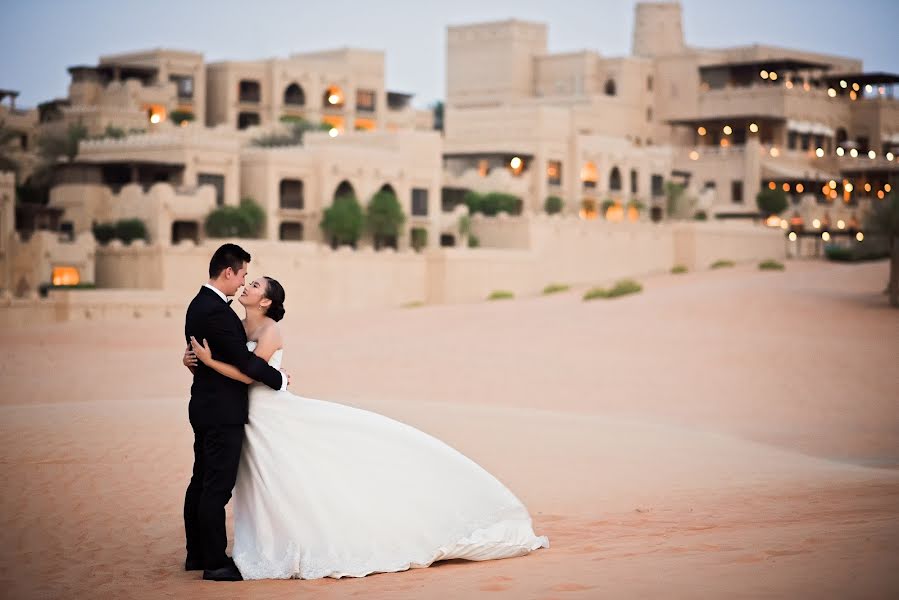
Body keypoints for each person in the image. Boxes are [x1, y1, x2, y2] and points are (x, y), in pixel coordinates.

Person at [184, 274, 548, 580]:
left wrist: (212, 362)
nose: (248, 285)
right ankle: (255, 541)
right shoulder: (234, 323)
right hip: (246, 416)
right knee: (265, 481)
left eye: (256, 284)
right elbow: (234, 360)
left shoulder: (271, 330)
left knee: (290, 474)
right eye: (248, 280)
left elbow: (250, 374)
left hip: (268, 412)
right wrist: (195, 361)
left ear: (266, 301)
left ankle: (303, 539)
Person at [182, 244, 290, 582]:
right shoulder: (217, 311)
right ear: (229, 272)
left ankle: (197, 554)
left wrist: (197, 363)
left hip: (211, 406)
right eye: (244, 274)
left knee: (202, 483)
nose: (244, 281)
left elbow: (217, 361)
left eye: (252, 281)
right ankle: (213, 562)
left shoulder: (201, 305)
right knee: (216, 486)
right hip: (222, 411)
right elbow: (245, 366)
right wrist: (279, 379)